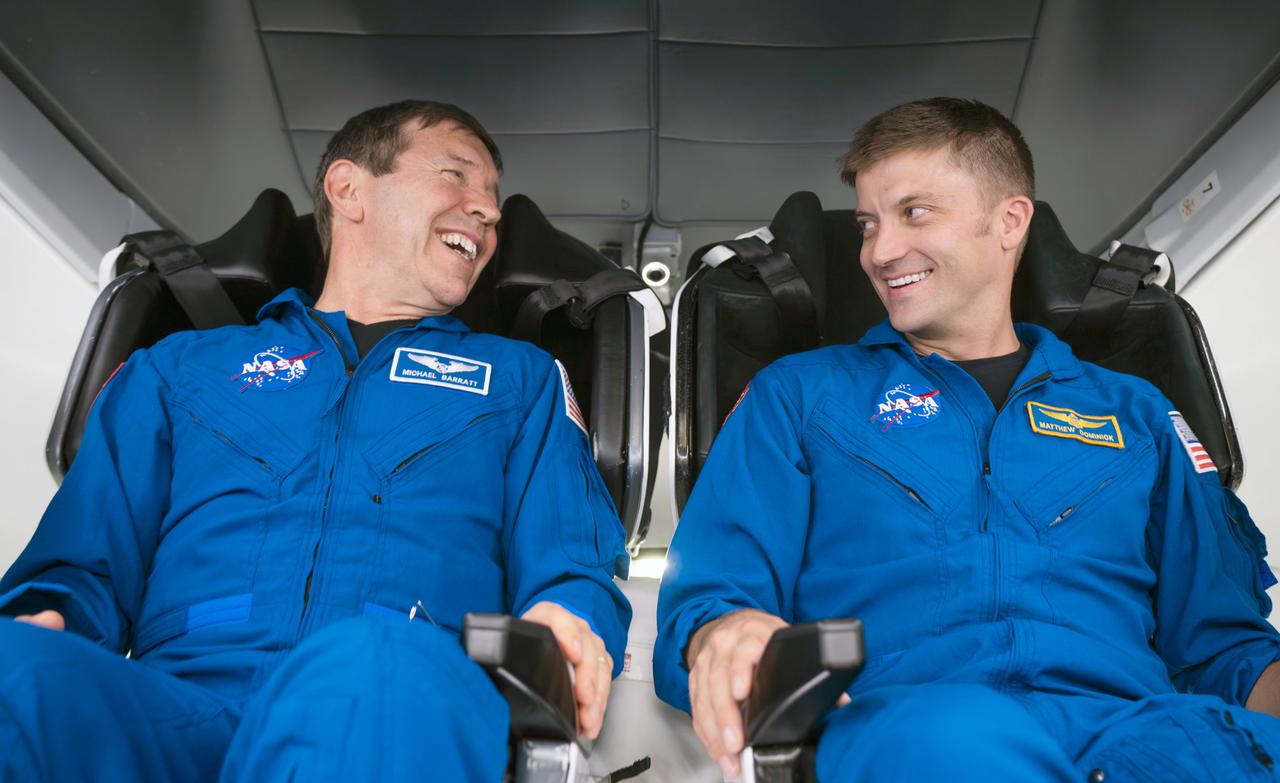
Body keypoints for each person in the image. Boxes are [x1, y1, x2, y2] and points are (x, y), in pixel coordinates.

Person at [0, 100, 631, 781]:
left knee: (366, 665)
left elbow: (572, 569)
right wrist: (45, 621)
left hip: (394, 704)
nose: (486, 211)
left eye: (493, 201)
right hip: (180, 710)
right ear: (348, 189)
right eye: (456, 176)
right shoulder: (180, 368)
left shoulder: (521, 381)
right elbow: (75, 568)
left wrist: (568, 623)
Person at [654, 97, 1280, 782]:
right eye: (869, 223)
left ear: (1009, 221)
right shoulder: (799, 395)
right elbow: (711, 598)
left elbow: (1226, 647)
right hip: (907, 728)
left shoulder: (1137, 414)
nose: (880, 251)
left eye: (915, 213)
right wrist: (725, 633)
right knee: (961, 740)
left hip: (1132, 732)